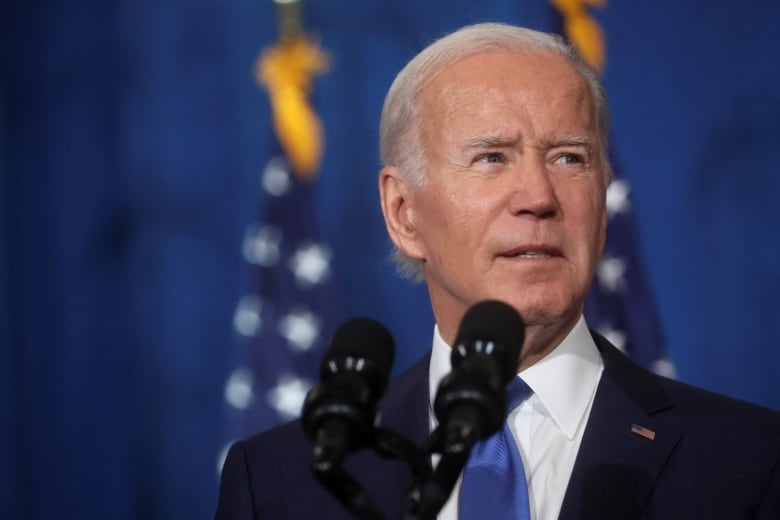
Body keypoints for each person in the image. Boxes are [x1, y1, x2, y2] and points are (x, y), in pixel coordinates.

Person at [215, 22, 780, 519]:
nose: (538, 196)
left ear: (603, 205)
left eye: (569, 157)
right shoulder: (278, 483)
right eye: (492, 157)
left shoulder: (749, 462)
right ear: (403, 213)